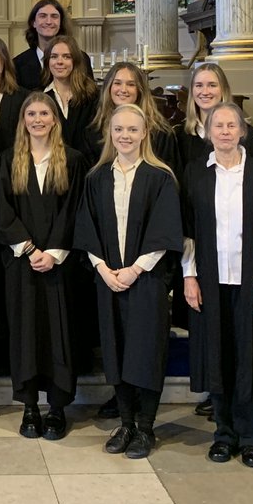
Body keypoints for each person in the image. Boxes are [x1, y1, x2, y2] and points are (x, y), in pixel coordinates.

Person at [182, 101, 253, 469]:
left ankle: (252, 438)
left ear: (243, 131)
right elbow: (189, 231)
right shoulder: (196, 172)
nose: (225, 131)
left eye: (232, 125)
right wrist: (190, 275)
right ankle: (223, 435)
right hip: (211, 282)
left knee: (250, 358)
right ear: (208, 131)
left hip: (250, 282)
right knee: (219, 358)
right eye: (218, 126)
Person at [74, 104, 182, 459]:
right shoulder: (96, 178)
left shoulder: (160, 177)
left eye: (132, 130)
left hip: (146, 280)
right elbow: (86, 230)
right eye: (119, 129)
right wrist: (103, 269)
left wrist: (136, 269)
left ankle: (146, 427)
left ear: (144, 133)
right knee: (117, 351)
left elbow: (164, 232)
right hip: (108, 279)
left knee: (146, 352)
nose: (125, 135)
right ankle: (126, 423)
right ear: (110, 133)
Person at [0, 92, 86, 440]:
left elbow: (75, 210)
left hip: (60, 265)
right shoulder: (8, 160)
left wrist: (54, 252)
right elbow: (2, 210)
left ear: (54, 119)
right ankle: (30, 407)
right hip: (21, 263)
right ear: (23, 120)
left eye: (43, 113)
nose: (37, 119)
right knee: (25, 333)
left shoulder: (73, 161)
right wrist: (30, 248)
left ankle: (58, 408)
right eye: (31, 113)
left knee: (58, 335)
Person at [82, 62, 181, 176]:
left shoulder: (160, 132)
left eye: (130, 84)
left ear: (140, 90)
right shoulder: (94, 131)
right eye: (117, 83)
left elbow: (170, 177)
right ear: (108, 88)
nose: (123, 90)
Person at [177, 62, 253, 169]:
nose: (205, 92)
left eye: (212, 85)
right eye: (199, 85)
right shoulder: (181, 135)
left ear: (223, 90)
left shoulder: (245, 133)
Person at [41, 34, 98, 154]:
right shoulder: (40, 98)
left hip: (87, 166)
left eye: (66, 57)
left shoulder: (92, 96)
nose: (59, 62)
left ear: (75, 61)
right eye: (54, 56)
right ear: (48, 61)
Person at [14, 0, 70, 91]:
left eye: (54, 16)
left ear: (61, 23)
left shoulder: (80, 59)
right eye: (43, 16)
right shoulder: (17, 65)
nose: (48, 21)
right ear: (33, 23)